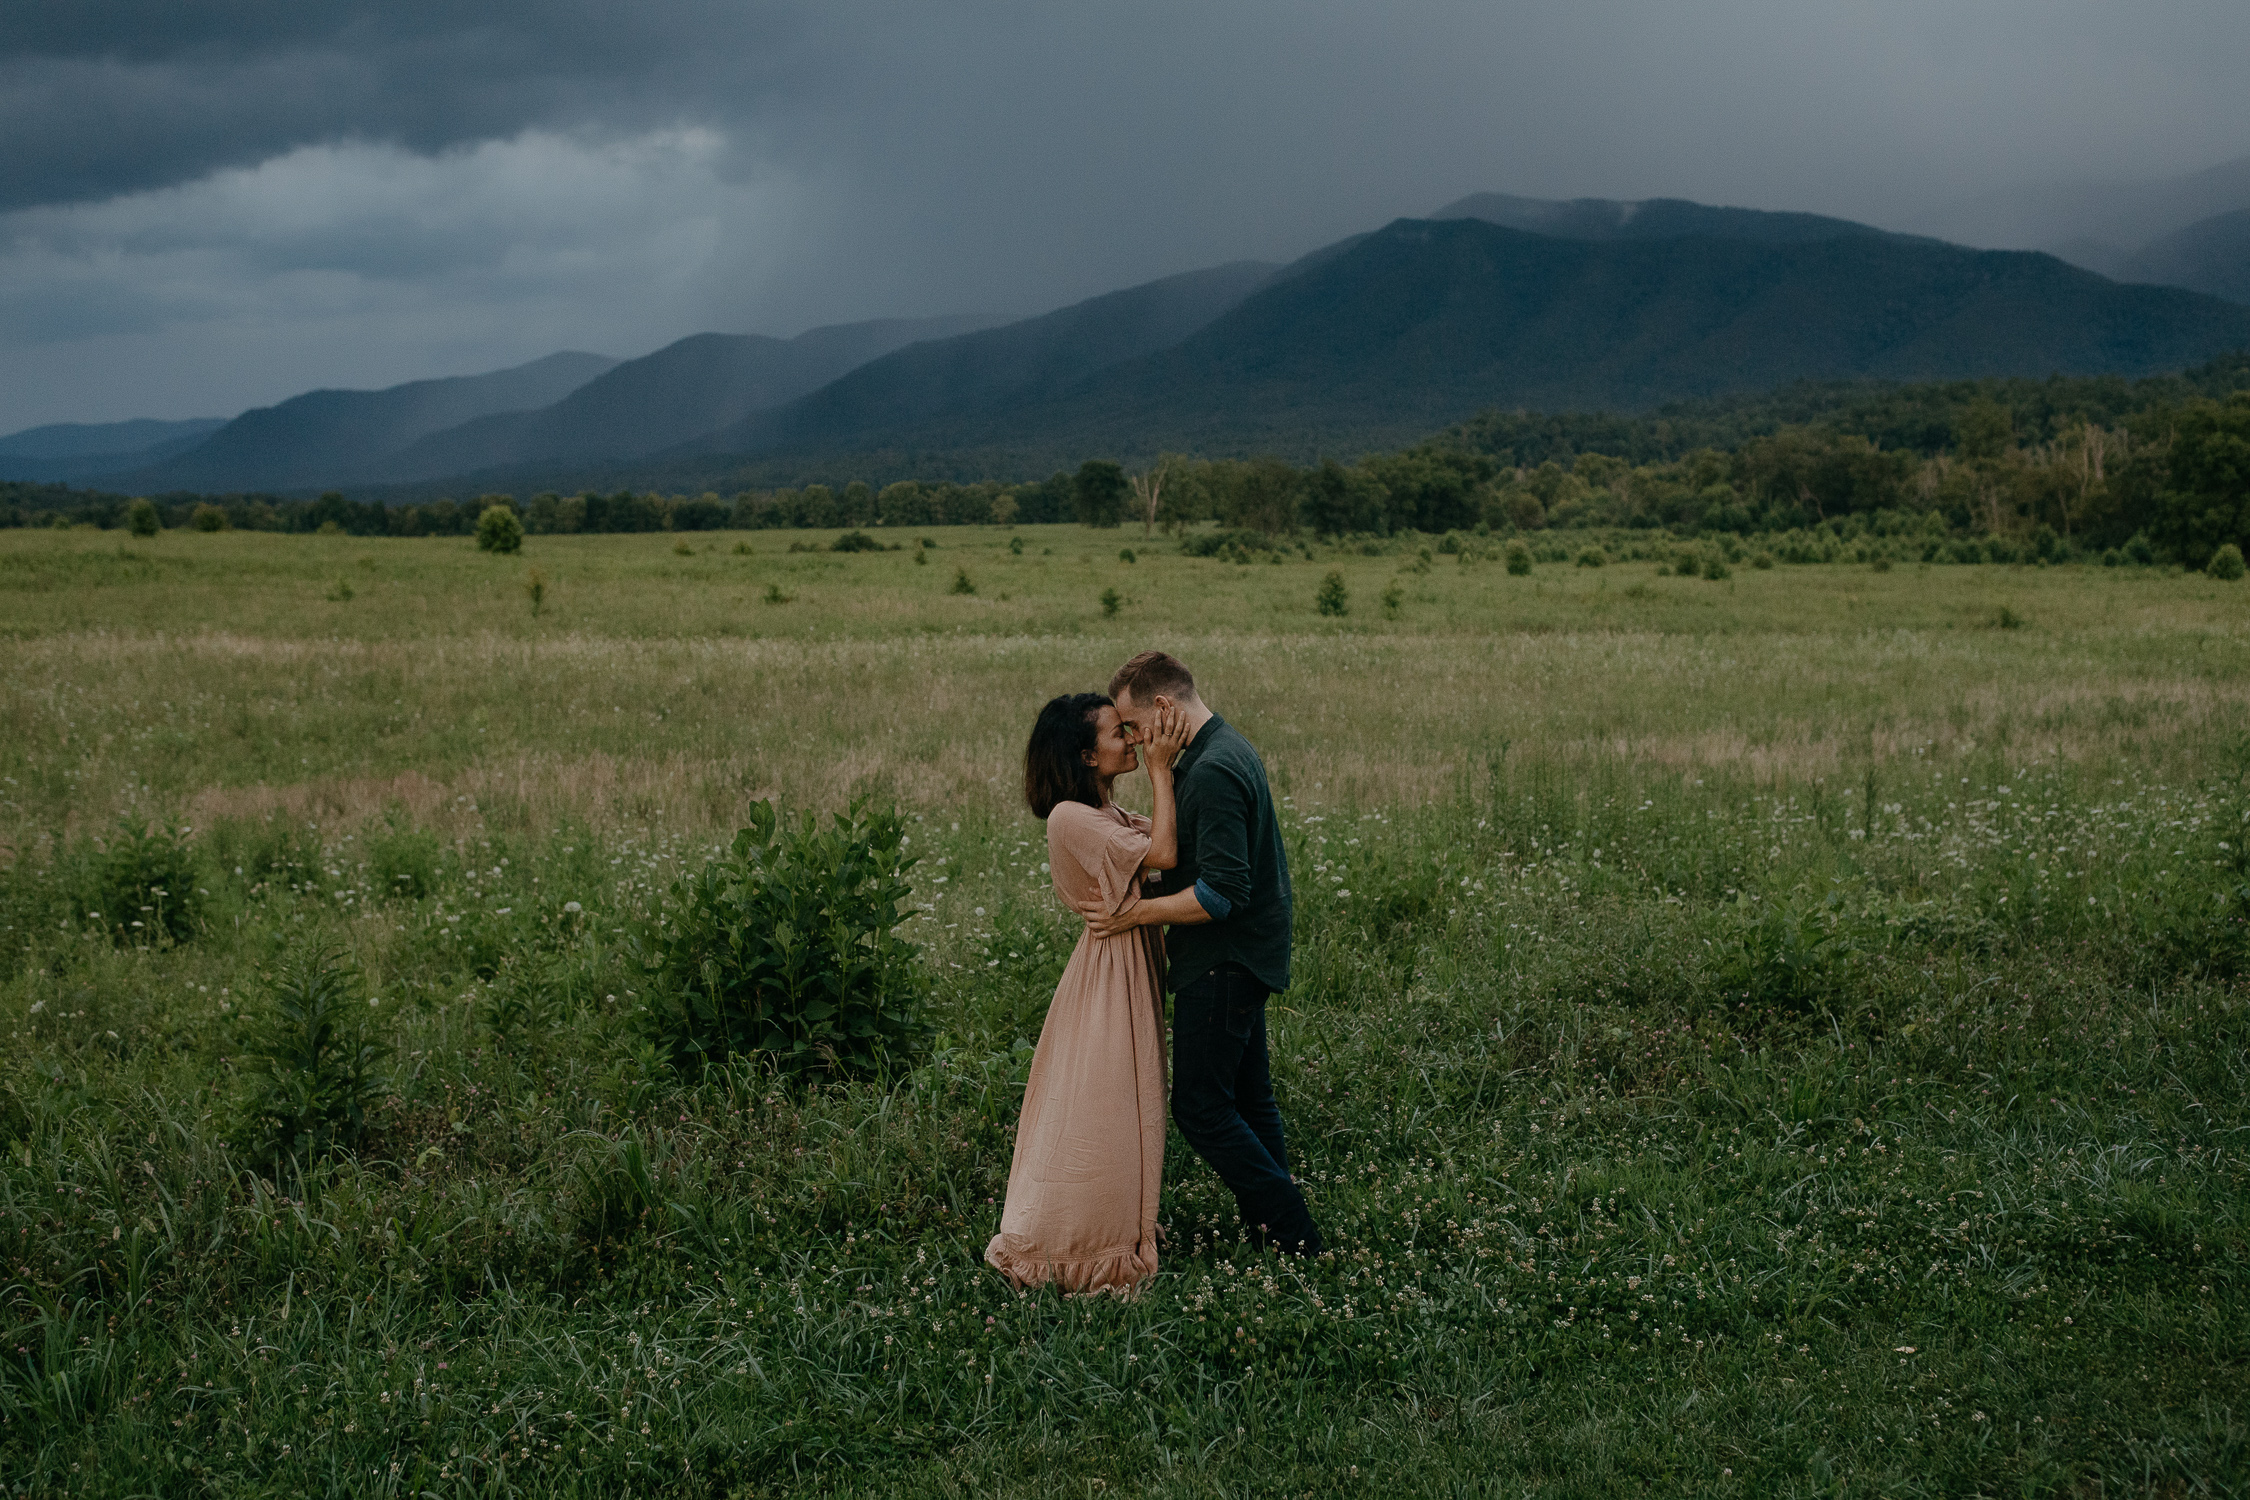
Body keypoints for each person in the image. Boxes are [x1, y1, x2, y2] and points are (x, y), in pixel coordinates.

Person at [1091, 651, 1324, 1255]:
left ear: (1163, 709)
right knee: (1250, 1099)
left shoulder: (1214, 769)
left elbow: (1221, 894)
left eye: (1135, 727)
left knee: (1200, 1109)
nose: (1137, 744)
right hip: (1243, 954)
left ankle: (1295, 1229)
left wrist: (1134, 914)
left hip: (1225, 959)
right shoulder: (1223, 748)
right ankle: (1277, 1239)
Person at [985, 691, 1190, 1293]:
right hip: (1107, 973)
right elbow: (1168, 853)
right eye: (1116, 734)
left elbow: (1168, 846)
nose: (1129, 739)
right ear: (1085, 756)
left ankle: (1119, 1228)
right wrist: (1160, 769)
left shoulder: (1112, 817)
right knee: (1101, 1108)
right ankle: (1074, 1245)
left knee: (1127, 1101)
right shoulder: (1070, 818)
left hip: (1128, 958)